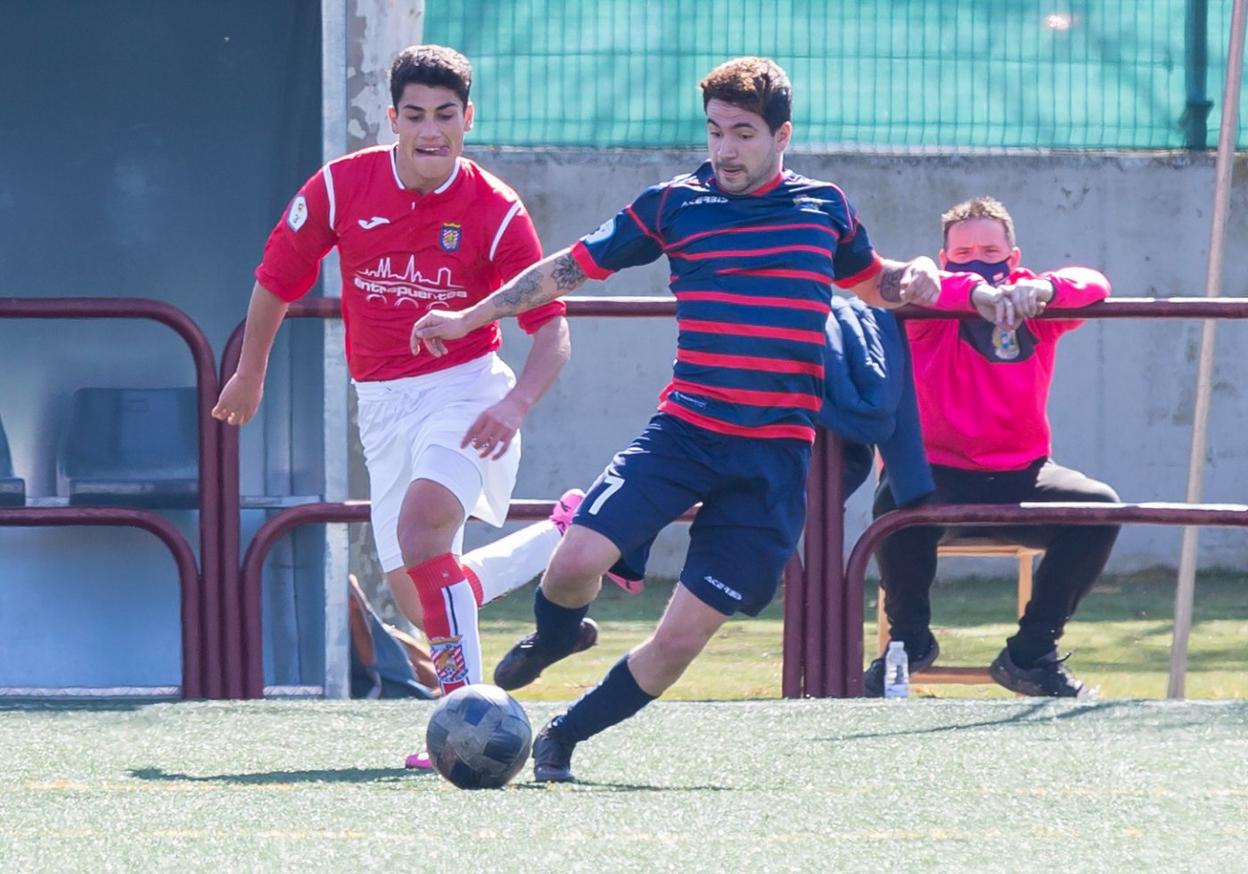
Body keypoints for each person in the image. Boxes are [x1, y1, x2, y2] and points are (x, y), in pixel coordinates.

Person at [412, 57, 941, 782]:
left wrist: (917, 275)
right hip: (684, 435)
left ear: (781, 135)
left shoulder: (826, 208)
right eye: (715, 131)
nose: (724, 149)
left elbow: (875, 282)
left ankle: (563, 737)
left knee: (678, 642)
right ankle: (556, 636)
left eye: (743, 134)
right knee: (570, 566)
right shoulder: (673, 204)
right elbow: (571, 266)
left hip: (773, 462)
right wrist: (473, 314)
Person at [211, 44, 594, 702]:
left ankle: (465, 719)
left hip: (467, 394)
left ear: (467, 119)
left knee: (423, 537)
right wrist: (250, 373)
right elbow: (276, 279)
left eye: (445, 115)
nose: (430, 131)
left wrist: (515, 406)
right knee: (427, 600)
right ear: (393, 118)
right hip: (381, 406)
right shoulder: (339, 187)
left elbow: (552, 330)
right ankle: (564, 530)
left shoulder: (496, 210)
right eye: (415, 115)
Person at [865, 195, 1119, 699]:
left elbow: (1095, 284)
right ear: (944, 263)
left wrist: (1043, 287)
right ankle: (909, 642)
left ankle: (1031, 654)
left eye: (989, 248)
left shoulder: (1033, 305)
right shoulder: (927, 306)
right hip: (940, 474)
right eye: (962, 253)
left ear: (1014, 256)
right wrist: (974, 291)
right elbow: (906, 290)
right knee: (893, 501)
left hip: (1024, 474)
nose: (977, 257)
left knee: (1101, 508)